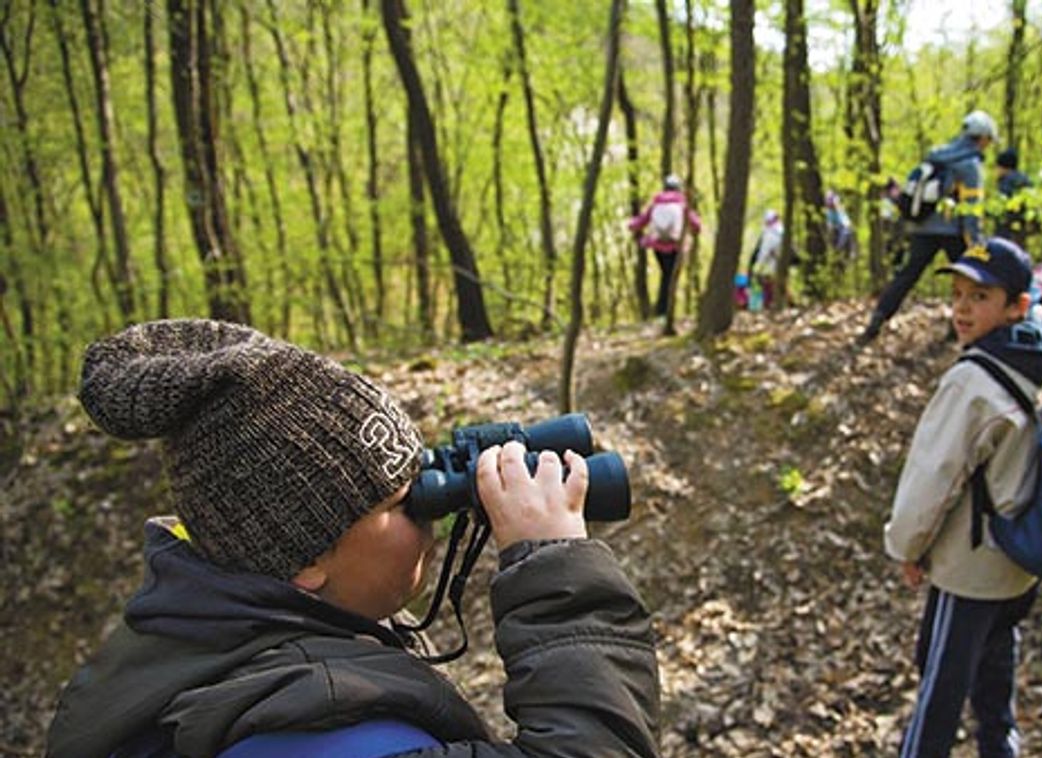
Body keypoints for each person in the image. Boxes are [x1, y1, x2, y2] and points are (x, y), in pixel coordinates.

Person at [46, 319, 660, 758]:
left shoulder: (188, 637)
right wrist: (556, 566)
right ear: (306, 560)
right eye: (401, 502)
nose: (428, 515)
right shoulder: (321, 735)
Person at [884, 237, 1042, 757]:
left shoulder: (973, 380)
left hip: (969, 568)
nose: (962, 308)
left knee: (940, 691)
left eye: (980, 297)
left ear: (1017, 306)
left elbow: (933, 477)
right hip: (1021, 557)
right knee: (994, 684)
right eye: (958, 294)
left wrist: (908, 547)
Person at [858, 110, 998, 346]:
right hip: (954, 231)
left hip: (922, 229)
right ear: (982, 138)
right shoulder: (970, 165)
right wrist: (976, 242)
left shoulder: (937, 156)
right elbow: (971, 210)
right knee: (969, 281)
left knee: (907, 275)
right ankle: (963, 331)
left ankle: (876, 321)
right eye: (988, 141)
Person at [629, 174, 701, 317]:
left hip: (658, 246)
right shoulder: (682, 204)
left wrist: (631, 225)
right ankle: (664, 311)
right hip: (676, 245)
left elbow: (641, 221)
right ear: (678, 189)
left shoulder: (656, 204)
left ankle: (662, 310)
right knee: (670, 277)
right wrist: (695, 230)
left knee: (666, 275)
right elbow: (696, 224)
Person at [992, 148, 1031, 248]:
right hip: (1021, 228)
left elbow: (1000, 208)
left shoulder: (1006, 182)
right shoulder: (1026, 180)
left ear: (1003, 167)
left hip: (1006, 229)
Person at [748, 209, 785, 310]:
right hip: (781, 264)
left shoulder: (770, 234)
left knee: (768, 285)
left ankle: (769, 305)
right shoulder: (782, 231)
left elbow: (764, 253)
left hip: (771, 265)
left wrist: (757, 267)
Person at [824, 190, 856, 257]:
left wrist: (847, 224)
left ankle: (848, 251)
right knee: (842, 233)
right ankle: (837, 250)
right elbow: (829, 223)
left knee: (847, 233)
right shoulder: (829, 211)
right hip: (836, 228)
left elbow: (846, 221)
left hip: (842, 227)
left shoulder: (840, 209)